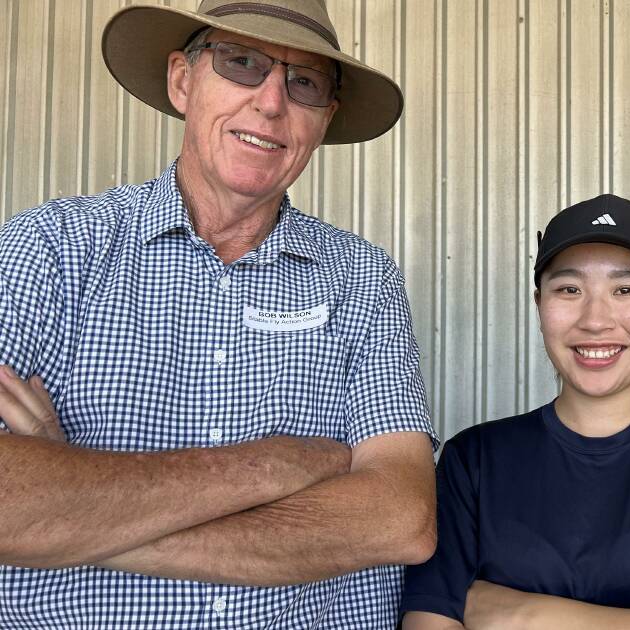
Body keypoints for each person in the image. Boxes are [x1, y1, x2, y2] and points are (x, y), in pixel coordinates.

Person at [0, 1, 437, 627]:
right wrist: (273, 464)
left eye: (304, 82)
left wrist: (75, 515)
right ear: (183, 80)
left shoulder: (360, 278)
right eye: (242, 63)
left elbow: (401, 519)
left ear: (324, 118)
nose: (270, 103)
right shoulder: (49, 249)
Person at [400, 194, 630, 629]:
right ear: (539, 305)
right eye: (569, 289)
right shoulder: (474, 458)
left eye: (625, 289)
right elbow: (429, 622)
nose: (596, 320)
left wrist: (521, 614)